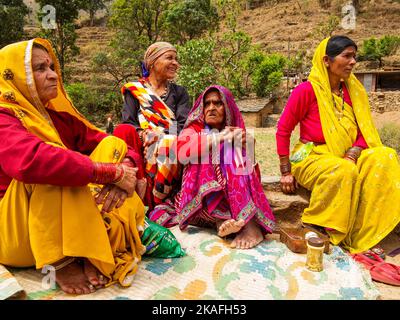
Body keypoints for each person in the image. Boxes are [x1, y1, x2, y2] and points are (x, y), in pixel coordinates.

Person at [0, 39, 146, 295]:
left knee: (113, 143)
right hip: (14, 235)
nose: (54, 75)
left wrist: (126, 167)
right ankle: (61, 261)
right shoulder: (3, 117)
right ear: (14, 76)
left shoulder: (60, 119)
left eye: (52, 66)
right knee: (51, 164)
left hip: (56, 222)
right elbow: (29, 162)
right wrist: (110, 173)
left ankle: (88, 248)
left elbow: (115, 145)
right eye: (40, 68)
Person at [276, 35, 400, 255]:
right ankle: (318, 226)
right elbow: (283, 130)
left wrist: (353, 152)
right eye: (347, 56)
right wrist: (285, 171)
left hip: (346, 155)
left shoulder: (354, 91)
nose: (353, 62)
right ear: (326, 61)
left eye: (354, 57)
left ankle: (364, 235)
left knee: (386, 156)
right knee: (344, 170)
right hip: (311, 155)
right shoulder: (306, 91)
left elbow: (365, 132)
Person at [149, 85, 276, 249]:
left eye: (218, 103)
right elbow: (182, 153)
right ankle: (220, 220)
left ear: (228, 108)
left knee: (234, 145)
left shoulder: (236, 130)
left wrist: (249, 144)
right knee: (209, 143)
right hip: (200, 205)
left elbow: (251, 174)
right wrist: (219, 138)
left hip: (234, 205)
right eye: (207, 104)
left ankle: (250, 226)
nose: (211, 108)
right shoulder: (193, 129)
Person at [113, 42, 191, 210]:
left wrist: (159, 135)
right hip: (142, 145)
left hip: (169, 146)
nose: (175, 63)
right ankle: (137, 184)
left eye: (176, 59)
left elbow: (184, 125)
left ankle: (157, 199)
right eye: (169, 58)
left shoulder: (179, 92)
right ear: (152, 62)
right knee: (122, 131)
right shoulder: (134, 90)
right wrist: (144, 135)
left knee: (169, 142)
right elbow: (128, 122)